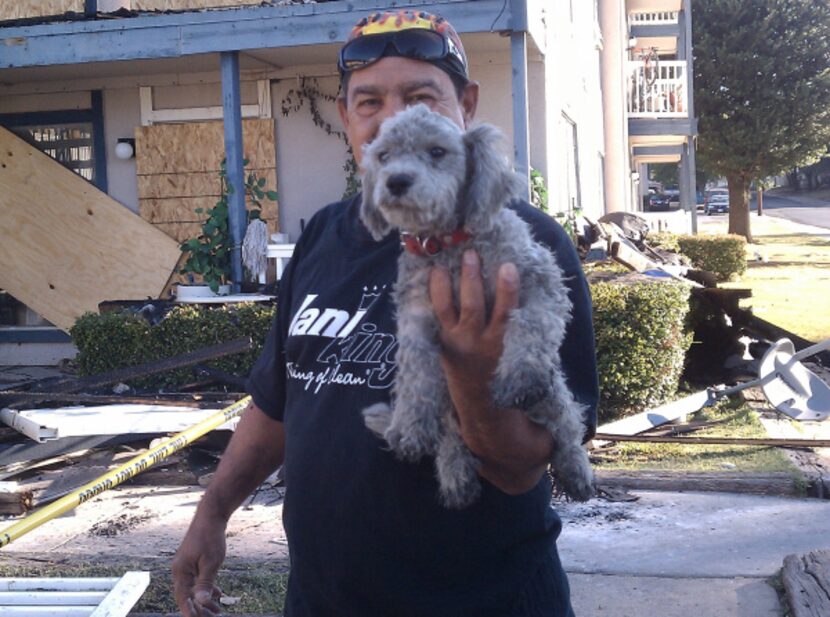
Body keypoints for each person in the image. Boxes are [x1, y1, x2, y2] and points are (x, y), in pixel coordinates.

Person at [172, 10, 598, 617]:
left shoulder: (523, 245)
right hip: (324, 600)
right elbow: (279, 402)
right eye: (368, 101)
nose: (393, 117)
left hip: (485, 602)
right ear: (347, 118)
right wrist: (213, 511)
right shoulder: (322, 236)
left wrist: (469, 375)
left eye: (421, 96)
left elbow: (521, 468)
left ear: (466, 107)